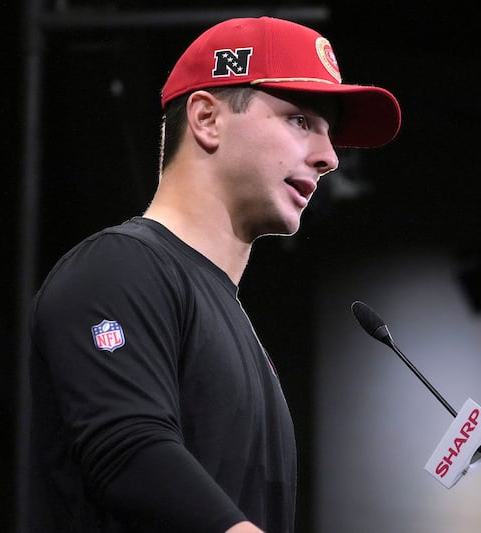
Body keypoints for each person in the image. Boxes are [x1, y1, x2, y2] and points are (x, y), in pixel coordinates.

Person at [26, 16, 401, 533]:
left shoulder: (237, 328)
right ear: (207, 118)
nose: (329, 157)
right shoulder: (118, 268)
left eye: (329, 133)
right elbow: (126, 452)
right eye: (300, 120)